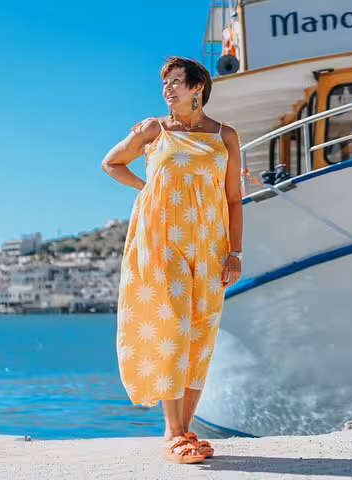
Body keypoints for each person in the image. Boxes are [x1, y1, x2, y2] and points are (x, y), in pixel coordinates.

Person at [101, 56, 243, 464]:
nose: (169, 89)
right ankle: (173, 433)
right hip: (163, 241)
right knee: (174, 327)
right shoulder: (153, 130)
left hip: (211, 244)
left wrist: (235, 252)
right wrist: (147, 190)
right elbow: (111, 163)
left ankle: (188, 426)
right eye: (166, 83)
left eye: (177, 82)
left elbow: (234, 198)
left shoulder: (225, 136)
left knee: (201, 332)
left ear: (198, 87)